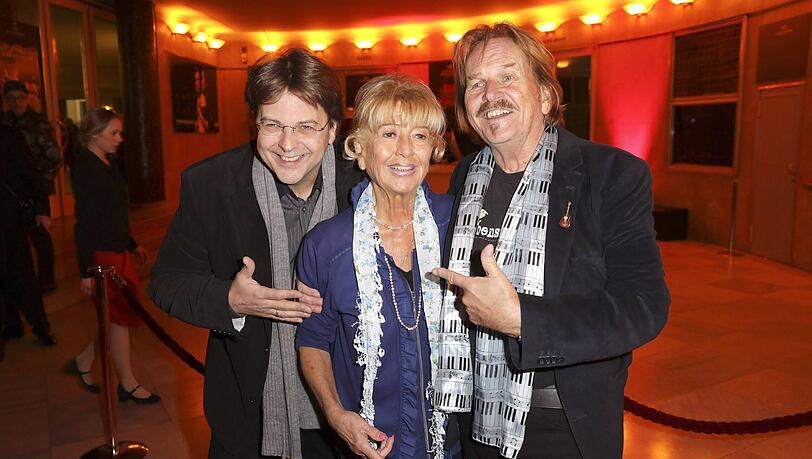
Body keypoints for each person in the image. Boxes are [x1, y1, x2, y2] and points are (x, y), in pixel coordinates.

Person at [430, 23, 670, 459]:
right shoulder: (466, 176)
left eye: (507, 76)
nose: (490, 94)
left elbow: (643, 306)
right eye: (476, 83)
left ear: (544, 95)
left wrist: (523, 319)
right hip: (475, 414)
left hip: (563, 426)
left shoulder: (610, 174)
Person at [149, 48, 362, 458]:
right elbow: (167, 282)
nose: (287, 144)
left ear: (333, 130)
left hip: (349, 407)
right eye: (272, 124)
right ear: (256, 124)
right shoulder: (211, 186)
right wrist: (230, 299)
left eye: (305, 126)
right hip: (251, 413)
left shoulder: (363, 188)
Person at [296, 74, 456, 459]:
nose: (405, 151)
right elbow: (313, 341)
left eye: (419, 136)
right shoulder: (326, 245)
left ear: (433, 150)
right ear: (361, 151)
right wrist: (335, 415)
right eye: (388, 134)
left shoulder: (457, 226)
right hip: (367, 444)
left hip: (452, 443)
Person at [67, 108, 157, 403]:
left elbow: (113, 214)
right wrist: (85, 271)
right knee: (119, 318)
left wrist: (131, 244)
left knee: (115, 317)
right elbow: (86, 223)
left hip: (119, 251)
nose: (120, 139)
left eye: (120, 132)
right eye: (113, 133)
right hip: (103, 257)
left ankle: (83, 361)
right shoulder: (85, 167)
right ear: (94, 135)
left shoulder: (108, 162)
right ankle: (128, 383)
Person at [1, 80, 60, 294]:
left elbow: (53, 158)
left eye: (19, 98)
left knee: (40, 234)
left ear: (27, 98)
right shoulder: (4, 123)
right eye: (10, 99)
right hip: (10, 190)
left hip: (35, 187)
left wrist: (41, 185)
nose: (15, 102)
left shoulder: (39, 124)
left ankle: (46, 279)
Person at [0, 125, 56, 347]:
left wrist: (41, 209)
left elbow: (31, 174)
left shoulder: (9, 137)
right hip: (10, 222)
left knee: (22, 277)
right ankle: (12, 325)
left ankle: (40, 326)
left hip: (10, 224)